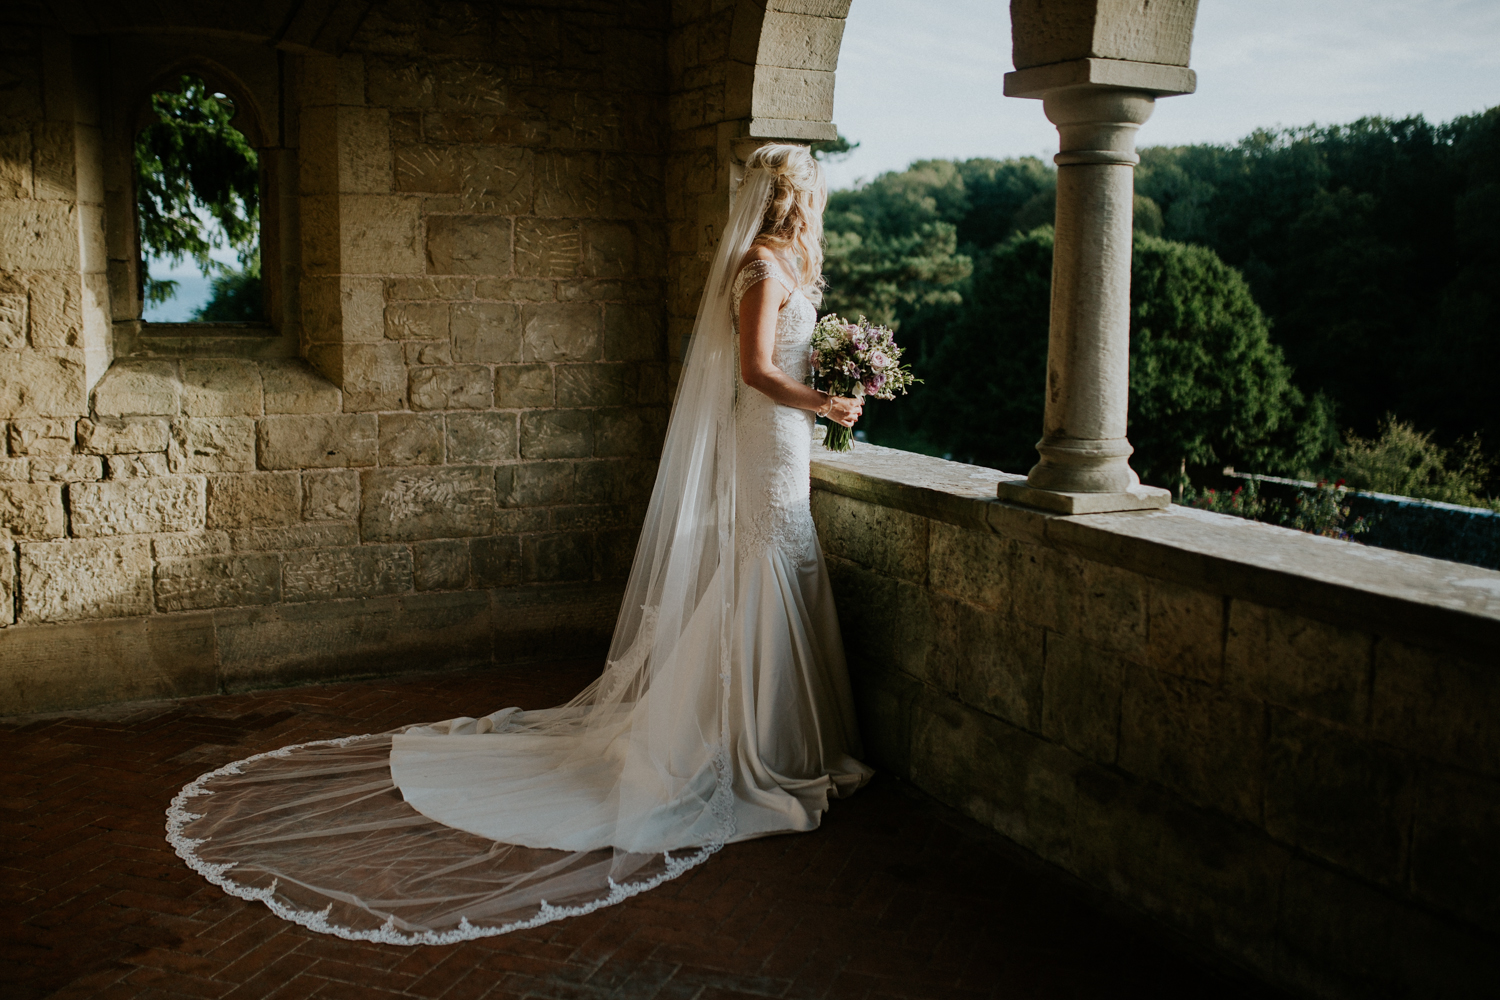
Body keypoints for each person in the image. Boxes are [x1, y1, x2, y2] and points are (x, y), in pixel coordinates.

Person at [168, 144, 874, 944]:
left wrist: (836, 378)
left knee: (779, 556)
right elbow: (751, 370)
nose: (807, 204)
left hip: (788, 443)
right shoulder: (757, 265)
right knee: (763, 559)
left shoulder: (784, 263)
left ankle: (780, 733)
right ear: (794, 198)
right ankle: (742, 740)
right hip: (771, 434)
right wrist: (825, 401)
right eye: (806, 193)